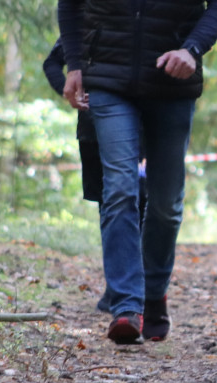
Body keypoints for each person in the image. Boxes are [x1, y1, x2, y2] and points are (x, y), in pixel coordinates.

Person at [57, 0, 217, 345]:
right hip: (109, 83)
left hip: (171, 87)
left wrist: (191, 50)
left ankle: (154, 292)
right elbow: (69, 1)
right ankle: (127, 307)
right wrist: (73, 65)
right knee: (118, 188)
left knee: (165, 203)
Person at [42, 39, 148, 314]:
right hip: (93, 129)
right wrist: (70, 92)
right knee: (111, 204)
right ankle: (119, 289)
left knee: (145, 202)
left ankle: (138, 287)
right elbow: (52, 62)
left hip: (145, 127)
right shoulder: (89, 16)